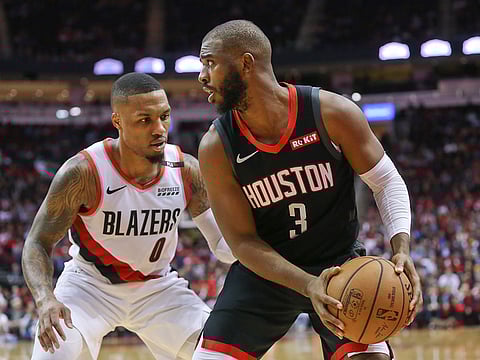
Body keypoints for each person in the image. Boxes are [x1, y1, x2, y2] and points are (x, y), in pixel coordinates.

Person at [193, 20, 423, 360]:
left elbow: (386, 181)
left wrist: (401, 248)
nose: (202, 76)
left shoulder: (331, 113)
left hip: (341, 270)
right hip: (265, 276)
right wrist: (306, 284)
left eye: (210, 63)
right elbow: (242, 243)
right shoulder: (216, 146)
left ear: (245, 63)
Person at [22, 72, 236, 360]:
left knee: (224, 354)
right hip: (89, 286)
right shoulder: (83, 172)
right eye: (144, 120)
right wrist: (45, 300)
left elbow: (223, 246)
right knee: (54, 354)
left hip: (158, 288)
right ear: (117, 122)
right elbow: (37, 243)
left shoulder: (186, 170)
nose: (159, 129)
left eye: (164, 116)